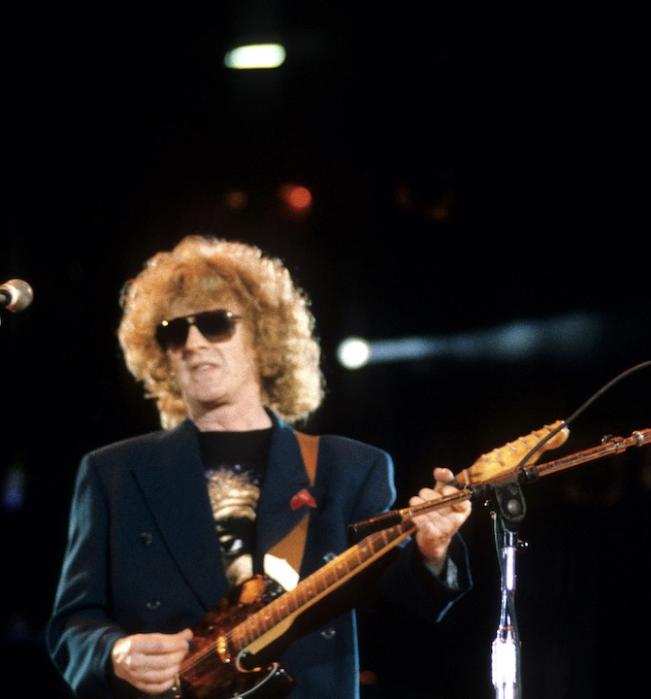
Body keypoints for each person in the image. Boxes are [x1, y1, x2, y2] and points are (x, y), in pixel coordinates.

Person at [47, 236, 472, 698]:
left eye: (215, 324)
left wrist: (432, 553)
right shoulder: (112, 473)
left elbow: (399, 612)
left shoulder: (349, 467)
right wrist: (114, 653)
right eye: (174, 331)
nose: (193, 343)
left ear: (264, 336)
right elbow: (74, 622)